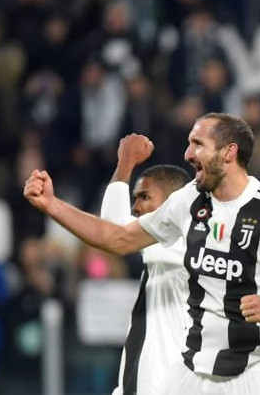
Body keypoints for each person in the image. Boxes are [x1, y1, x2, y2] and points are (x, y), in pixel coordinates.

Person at [24, 113, 260, 394]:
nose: (188, 153)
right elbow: (118, 237)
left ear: (228, 152)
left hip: (250, 374)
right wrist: (52, 205)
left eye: (197, 144)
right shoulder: (189, 202)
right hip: (190, 373)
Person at [100, 134, 192, 395]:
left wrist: (126, 163)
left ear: (173, 204)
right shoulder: (163, 255)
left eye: (144, 197)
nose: (136, 207)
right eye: (135, 198)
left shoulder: (179, 239)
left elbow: (112, 229)